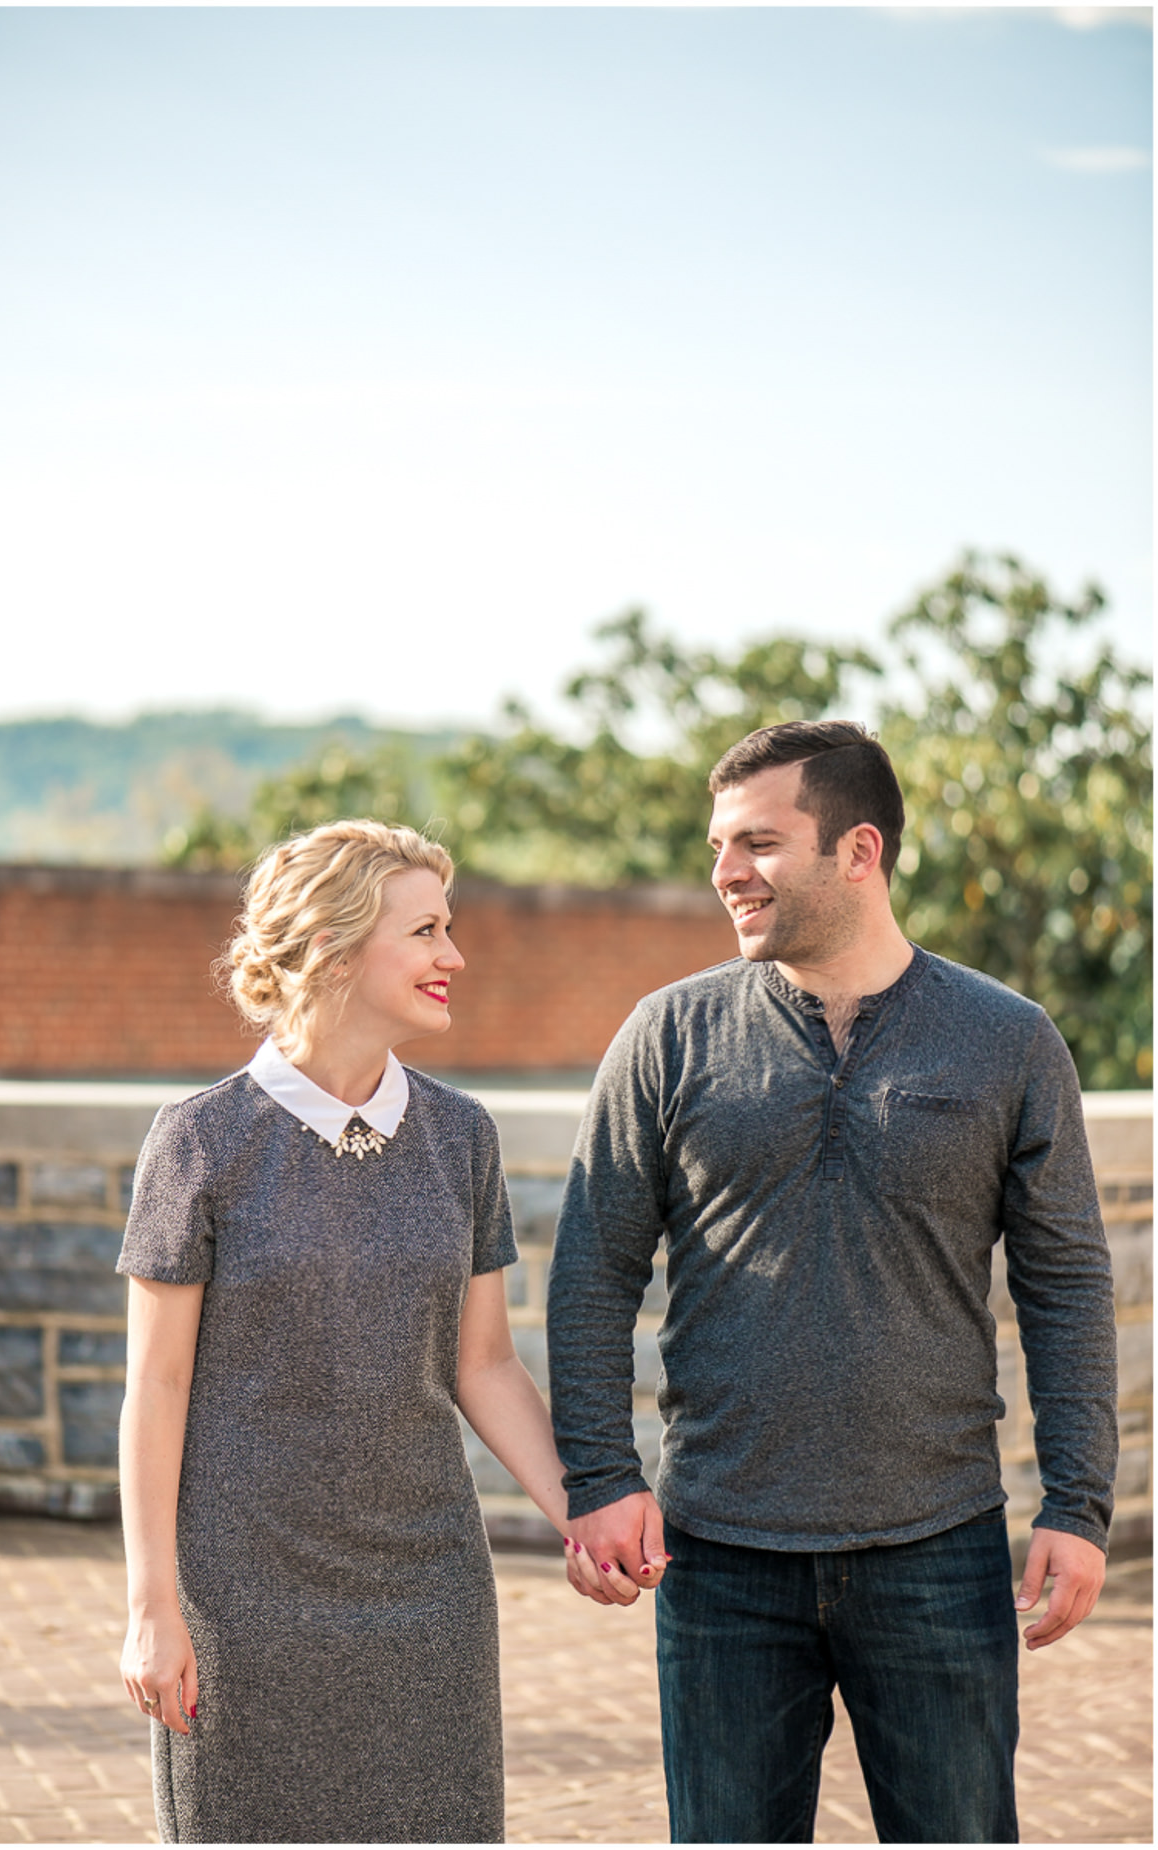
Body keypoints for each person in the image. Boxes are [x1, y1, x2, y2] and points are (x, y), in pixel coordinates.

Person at [550, 719, 1115, 1844]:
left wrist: (1078, 1502)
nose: (723, 873)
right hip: (718, 1557)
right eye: (718, 844)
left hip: (940, 1548)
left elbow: (1064, 1282)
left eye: (756, 842)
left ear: (858, 850)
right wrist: (599, 1475)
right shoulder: (666, 1035)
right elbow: (590, 1267)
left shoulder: (1007, 1039)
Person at [115, 819, 608, 1843]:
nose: (453, 956)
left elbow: (482, 1364)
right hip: (242, 1594)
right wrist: (151, 1603)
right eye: (426, 930)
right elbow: (154, 1388)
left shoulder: (460, 1134)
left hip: (429, 1593)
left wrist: (583, 1512)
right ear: (336, 947)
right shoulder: (199, 1141)